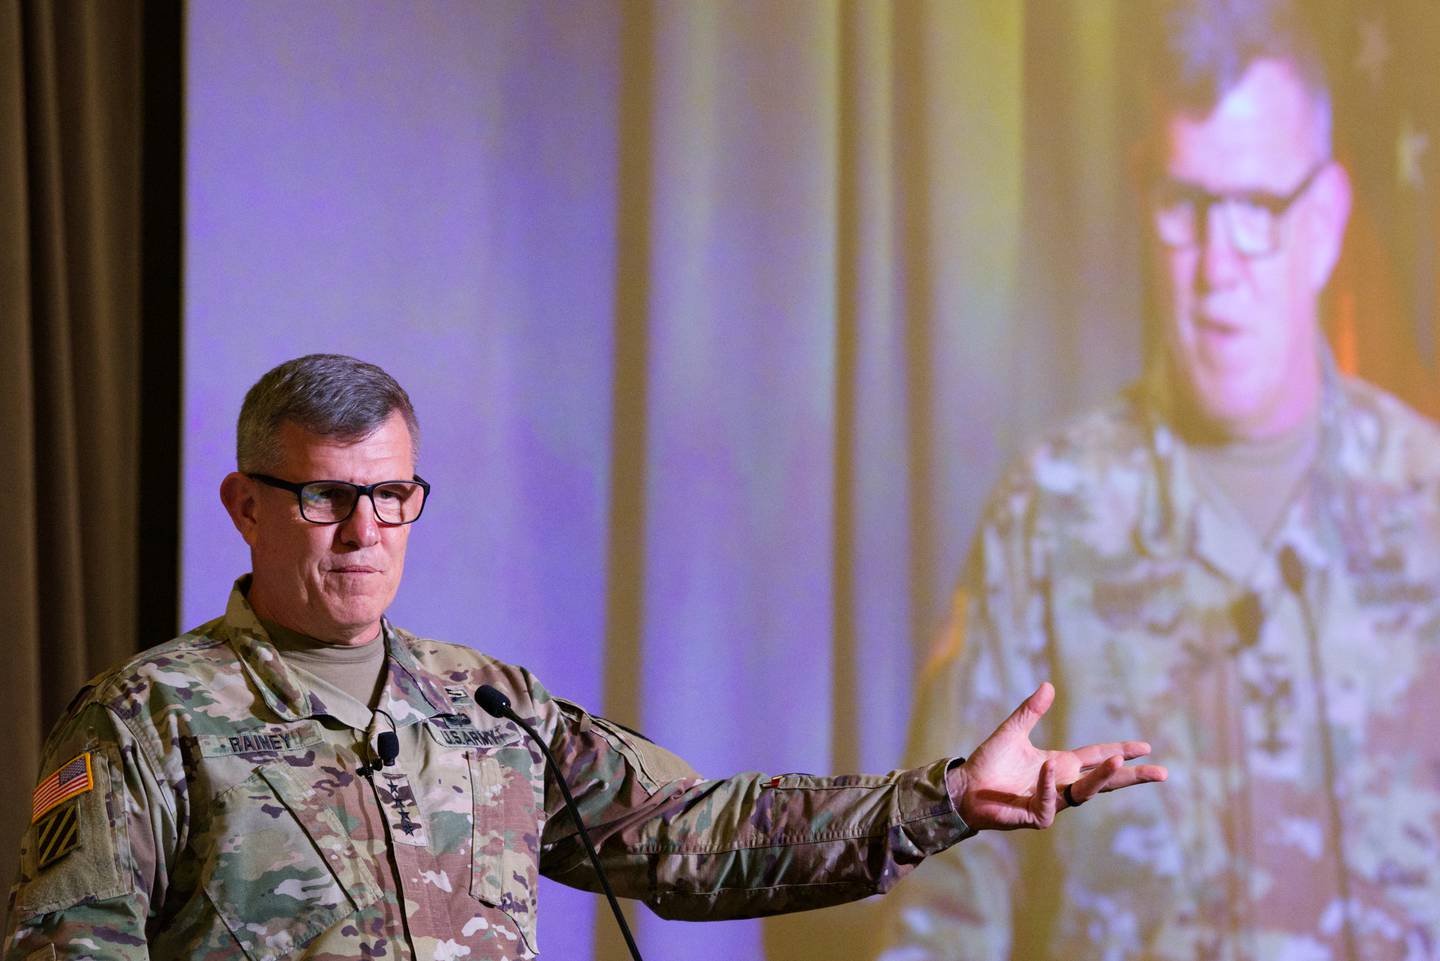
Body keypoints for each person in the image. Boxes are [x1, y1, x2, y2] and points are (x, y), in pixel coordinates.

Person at [3, 354, 1164, 961]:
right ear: (244, 504)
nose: (364, 533)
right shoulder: (144, 719)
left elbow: (695, 836)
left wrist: (947, 795)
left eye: (391, 496)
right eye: (324, 499)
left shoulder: (485, 707)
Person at [879, 3, 1440, 960]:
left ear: (1328, 218)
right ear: (1145, 198)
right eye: (1186, 203)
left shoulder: (1427, 507)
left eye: (1259, 209)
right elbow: (944, 917)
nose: (1220, 266)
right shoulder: (1049, 515)